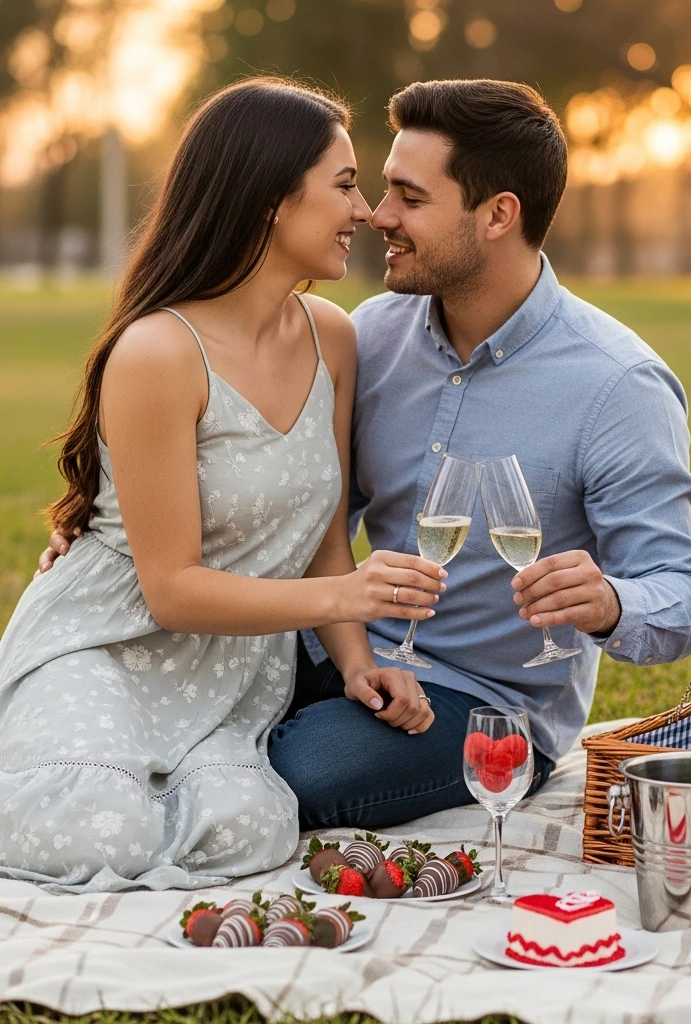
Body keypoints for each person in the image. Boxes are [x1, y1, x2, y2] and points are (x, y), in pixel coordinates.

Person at [39, 79, 691, 834]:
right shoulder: (372, 335)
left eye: (409, 198)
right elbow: (296, 502)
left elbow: (681, 596)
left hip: (482, 698)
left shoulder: (617, 385)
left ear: (498, 215)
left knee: (305, 773)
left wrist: (613, 602)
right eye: (378, 187)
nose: (377, 214)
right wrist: (117, 531)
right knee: (174, 724)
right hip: (337, 646)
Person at [0, 77, 447, 893]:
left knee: (248, 831)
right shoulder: (158, 353)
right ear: (271, 200)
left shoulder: (332, 338)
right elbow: (171, 590)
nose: (364, 211)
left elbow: (322, 538)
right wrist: (350, 597)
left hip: (231, 677)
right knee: (91, 829)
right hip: (109, 646)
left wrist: (358, 665)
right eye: (345, 185)